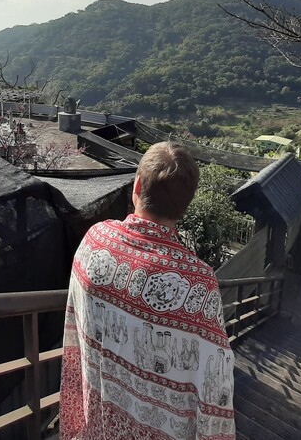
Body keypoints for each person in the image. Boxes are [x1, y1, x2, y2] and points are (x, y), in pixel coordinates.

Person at [60, 142, 235, 440]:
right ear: (185, 205)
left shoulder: (96, 238)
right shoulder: (199, 284)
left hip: (96, 418)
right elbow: (215, 379)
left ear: (137, 185)